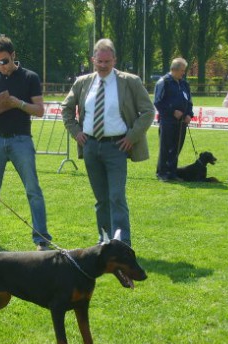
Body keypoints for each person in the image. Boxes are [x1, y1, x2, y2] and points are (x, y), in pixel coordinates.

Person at [61, 38, 154, 246]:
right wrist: (76, 132)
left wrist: (132, 136)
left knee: (116, 198)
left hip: (117, 147)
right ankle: (104, 241)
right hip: (91, 147)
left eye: (107, 61)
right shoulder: (83, 82)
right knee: (101, 200)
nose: (103, 66)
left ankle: (122, 244)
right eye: (99, 61)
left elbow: (148, 111)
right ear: (93, 59)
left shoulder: (130, 81)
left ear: (115, 60)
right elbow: (66, 109)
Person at [0, 35, 52, 251]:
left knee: (33, 190)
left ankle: (42, 239)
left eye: (4, 61)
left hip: (21, 140)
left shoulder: (30, 77)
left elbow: (40, 110)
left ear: (13, 56)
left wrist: (18, 103)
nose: (1, 66)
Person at [154, 58, 194, 181]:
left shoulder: (184, 84)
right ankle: (162, 173)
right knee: (166, 147)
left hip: (182, 122)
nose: (183, 73)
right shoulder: (164, 82)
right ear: (174, 69)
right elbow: (158, 102)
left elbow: (189, 102)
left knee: (177, 147)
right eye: (182, 70)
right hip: (168, 121)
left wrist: (189, 114)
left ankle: (172, 172)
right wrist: (172, 112)